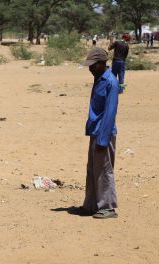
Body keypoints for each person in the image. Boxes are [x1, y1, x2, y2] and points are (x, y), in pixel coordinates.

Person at [68, 48, 119, 219]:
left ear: (102, 63)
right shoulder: (99, 79)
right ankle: (90, 205)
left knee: (104, 170)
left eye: (93, 65)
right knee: (92, 169)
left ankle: (108, 207)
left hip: (104, 133)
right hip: (95, 131)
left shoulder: (111, 81)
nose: (90, 69)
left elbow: (110, 113)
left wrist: (103, 141)